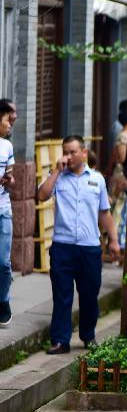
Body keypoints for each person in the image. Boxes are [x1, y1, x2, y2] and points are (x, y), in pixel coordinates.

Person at [38, 135, 120, 354]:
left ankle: (88, 335)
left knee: (89, 294)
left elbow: (105, 213)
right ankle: (60, 340)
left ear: (84, 153)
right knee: (62, 294)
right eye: (65, 151)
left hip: (89, 247)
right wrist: (56, 171)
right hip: (63, 245)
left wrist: (113, 241)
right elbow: (41, 195)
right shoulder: (57, 177)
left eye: (73, 151)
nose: (69, 156)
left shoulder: (97, 179)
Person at [0, 101, 15, 325]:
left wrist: (9, 179)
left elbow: (11, 176)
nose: (10, 124)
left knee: (3, 262)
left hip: (3, 209)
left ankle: (3, 300)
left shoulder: (7, 147)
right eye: (7, 120)